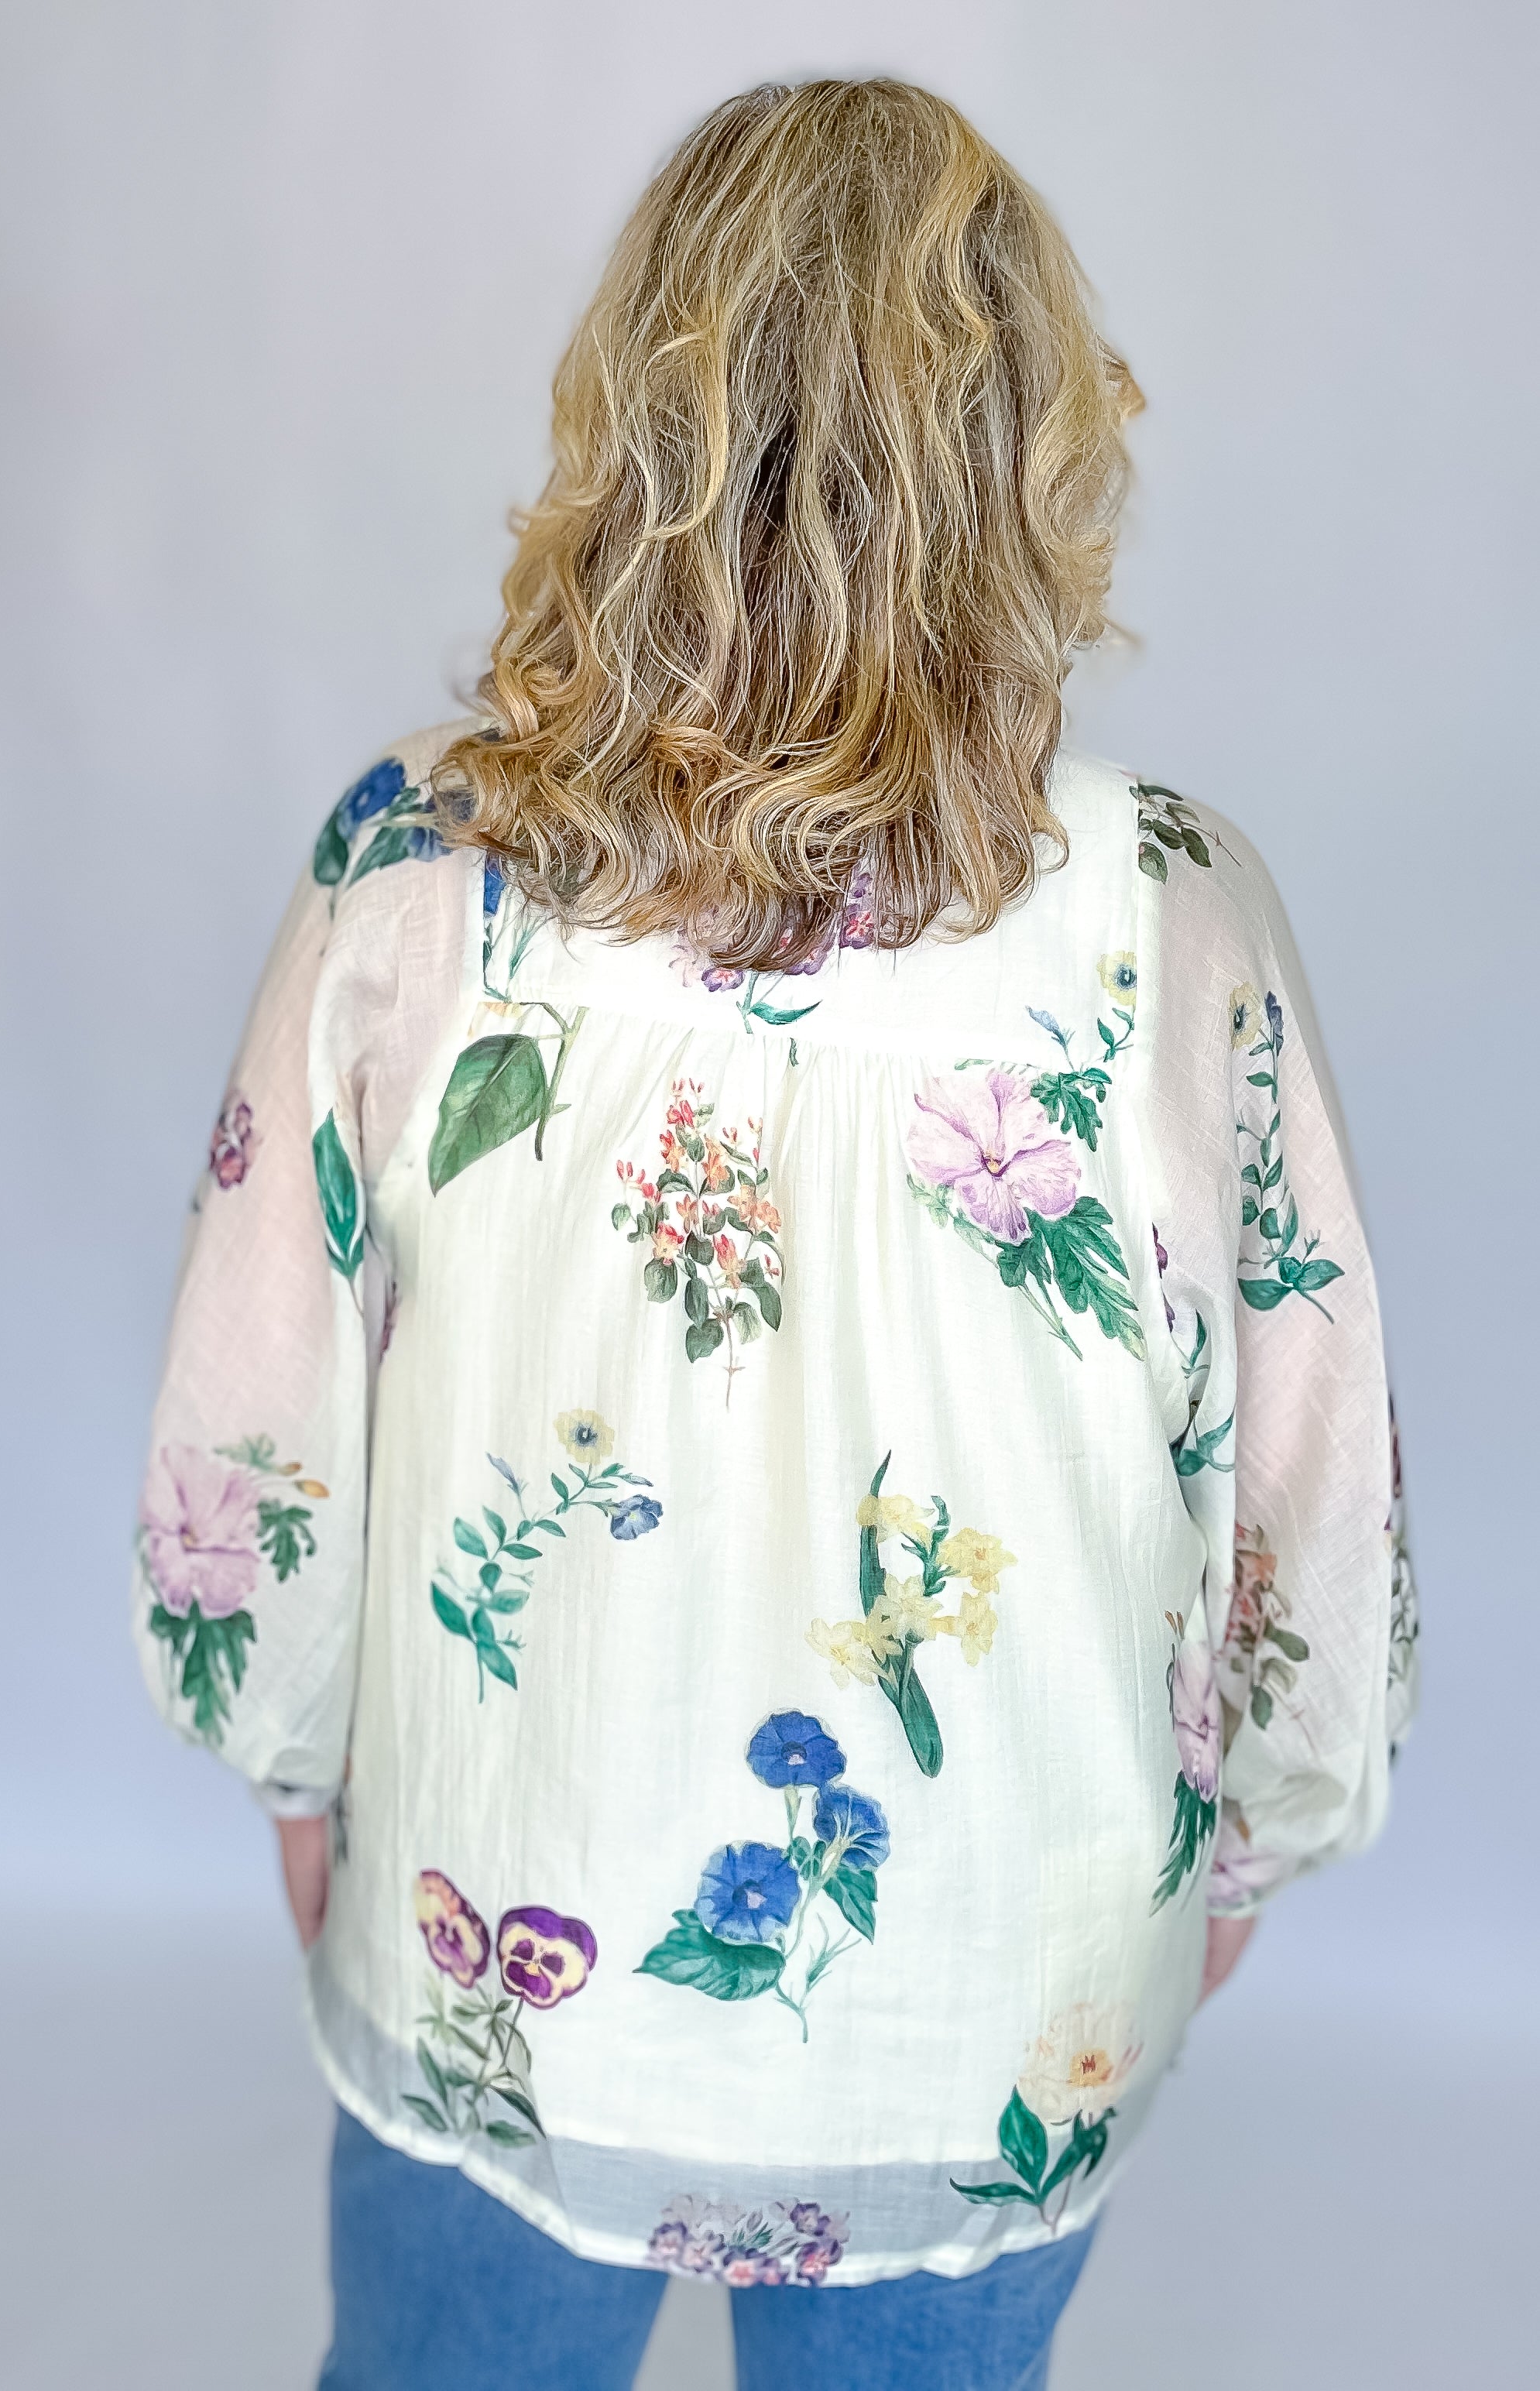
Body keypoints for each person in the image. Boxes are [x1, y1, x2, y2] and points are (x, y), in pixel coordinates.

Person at [135, 77, 1415, 2391]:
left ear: (635, 415)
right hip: (992, 1993)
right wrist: (1252, 1835)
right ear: (1021, 442)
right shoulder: (1171, 915)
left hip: (496, 1943)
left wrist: (293, 1763)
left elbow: (257, 1434)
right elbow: (1304, 1478)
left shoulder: (415, 877)